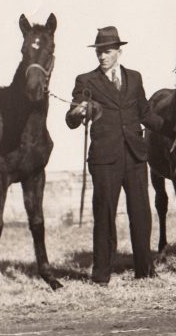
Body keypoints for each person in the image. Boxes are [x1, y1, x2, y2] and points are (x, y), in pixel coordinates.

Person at [66, 26, 166, 284]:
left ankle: (145, 270)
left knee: (141, 213)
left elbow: (145, 113)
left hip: (135, 156)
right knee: (105, 214)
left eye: (107, 52)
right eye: (99, 52)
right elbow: (72, 116)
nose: (101, 57)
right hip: (104, 159)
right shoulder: (86, 81)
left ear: (119, 52)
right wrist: (78, 112)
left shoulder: (134, 78)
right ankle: (101, 275)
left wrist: (171, 126)